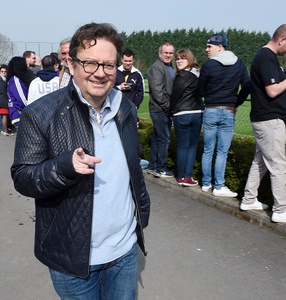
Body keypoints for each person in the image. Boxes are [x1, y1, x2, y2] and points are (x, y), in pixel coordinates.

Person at [11, 22, 150, 299]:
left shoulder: (126, 109)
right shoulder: (41, 114)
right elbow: (23, 178)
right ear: (72, 65)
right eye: (90, 63)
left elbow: (133, 169)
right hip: (71, 258)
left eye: (108, 65)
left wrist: (142, 212)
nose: (100, 73)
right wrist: (64, 167)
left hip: (124, 253)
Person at [240, 24, 286, 223]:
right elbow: (272, 90)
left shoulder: (267, 57)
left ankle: (249, 198)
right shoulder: (266, 57)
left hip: (265, 119)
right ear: (282, 40)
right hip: (269, 120)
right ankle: (281, 209)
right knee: (279, 165)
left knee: (261, 161)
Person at [198, 33, 251, 197]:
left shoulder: (208, 66)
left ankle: (206, 183)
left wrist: (211, 96)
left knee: (208, 149)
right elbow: (248, 86)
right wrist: (236, 103)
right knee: (222, 151)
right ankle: (219, 186)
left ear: (220, 47)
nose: (206, 49)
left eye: (209, 46)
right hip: (228, 111)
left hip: (211, 109)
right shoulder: (239, 64)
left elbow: (199, 90)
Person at [169, 49, 204, 186]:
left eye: (182, 58)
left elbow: (175, 95)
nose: (178, 61)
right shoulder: (198, 74)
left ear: (189, 59)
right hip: (197, 112)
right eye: (177, 58)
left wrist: (170, 111)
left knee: (183, 146)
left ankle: (181, 176)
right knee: (192, 146)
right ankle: (188, 177)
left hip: (182, 113)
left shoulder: (182, 75)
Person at [147, 42, 175, 178]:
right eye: (166, 53)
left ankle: (153, 166)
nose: (168, 55)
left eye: (170, 53)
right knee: (164, 139)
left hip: (163, 108)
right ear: (160, 53)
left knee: (158, 138)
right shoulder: (156, 68)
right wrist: (168, 109)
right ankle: (161, 168)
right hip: (160, 109)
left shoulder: (170, 67)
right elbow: (158, 92)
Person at [7, 56, 32, 127]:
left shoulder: (12, 80)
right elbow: (22, 99)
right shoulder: (16, 80)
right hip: (20, 116)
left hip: (18, 115)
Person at [0, 65, 13, 136]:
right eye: (2, 71)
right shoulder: (1, 80)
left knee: (5, 115)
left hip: (4, 99)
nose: (4, 72)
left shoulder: (6, 79)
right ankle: (5, 130)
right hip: (3, 100)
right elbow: (2, 90)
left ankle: (4, 129)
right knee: (4, 115)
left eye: (5, 71)